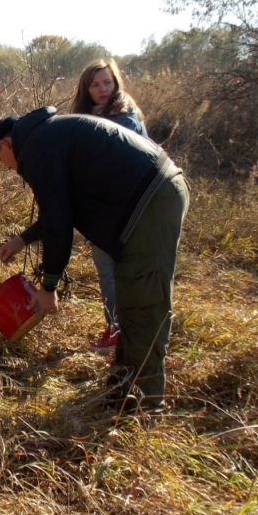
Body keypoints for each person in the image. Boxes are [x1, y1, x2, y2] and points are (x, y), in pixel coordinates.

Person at [0, 106, 188, 411]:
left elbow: (58, 222)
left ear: (5, 144)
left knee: (144, 305)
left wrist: (49, 287)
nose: (9, 169)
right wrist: (21, 240)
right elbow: (59, 210)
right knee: (132, 299)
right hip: (152, 197)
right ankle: (124, 386)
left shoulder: (36, 149)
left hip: (151, 202)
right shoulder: (46, 136)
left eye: (2, 161)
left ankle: (143, 405)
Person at [71, 59, 148, 351]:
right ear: (86, 89)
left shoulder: (125, 117)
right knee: (108, 270)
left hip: (127, 206)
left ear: (116, 83)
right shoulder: (86, 118)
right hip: (101, 207)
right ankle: (119, 329)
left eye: (107, 82)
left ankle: (122, 332)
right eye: (95, 84)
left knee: (119, 270)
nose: (102, 89)